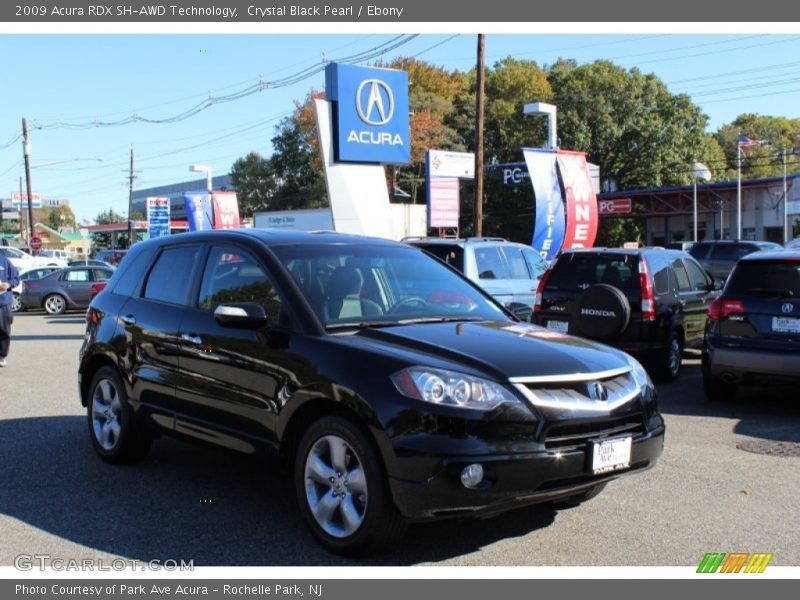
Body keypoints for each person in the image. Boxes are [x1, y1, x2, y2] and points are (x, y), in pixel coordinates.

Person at [0, 251, 20, 367]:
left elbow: (16, 278)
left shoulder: (4, 261)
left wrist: (8, 284)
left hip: (3, 302)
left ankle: (2, 356)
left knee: (4, 330)